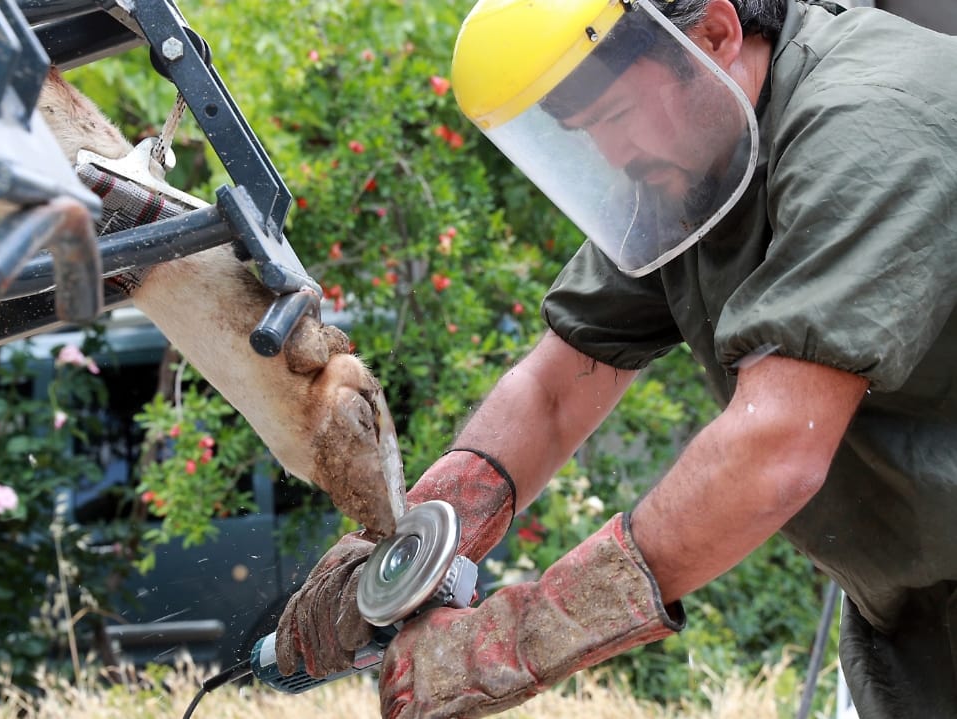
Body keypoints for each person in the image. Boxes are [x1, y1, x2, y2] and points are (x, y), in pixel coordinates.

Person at [273, 1, 957, 717]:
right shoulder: (692, 165)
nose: (611, 154)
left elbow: (775, 447)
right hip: (914, 625)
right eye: (584, 130)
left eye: (617, 114)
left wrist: (524, 634)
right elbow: (555, 387)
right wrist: (406, 541)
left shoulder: (871, 124)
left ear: (717, 34)